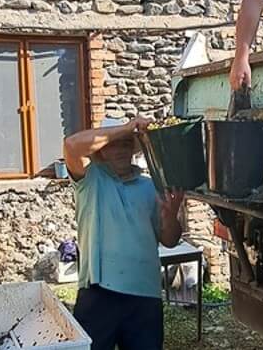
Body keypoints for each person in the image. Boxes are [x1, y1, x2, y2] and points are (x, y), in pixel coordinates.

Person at [63, 116, 184, 350]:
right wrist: (127, 128)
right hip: (98, 294)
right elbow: (70, 145)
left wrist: (171, 215)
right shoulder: (89, 179)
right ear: (101, 150)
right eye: (114, 144)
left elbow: (170, 240)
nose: (121, 150)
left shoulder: (152, 186)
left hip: (144, 295)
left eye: (126, 144)